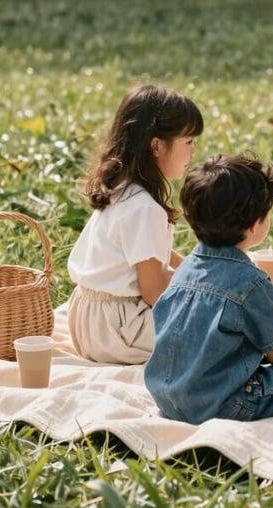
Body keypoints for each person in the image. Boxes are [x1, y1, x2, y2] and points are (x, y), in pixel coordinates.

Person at [144, 153, 273, 423]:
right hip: (225, 405)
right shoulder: (251, 283)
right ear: (254, 226)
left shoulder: (184, 270)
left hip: (169, 399)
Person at [67, 84, 204, 364]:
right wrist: (197, 292)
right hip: (120, 329)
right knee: (215, 329)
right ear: (156, 145)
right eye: (188, 142)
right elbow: (154, 292)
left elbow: (147, 256)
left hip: (88, 320)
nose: (194, 151)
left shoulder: (123, 190)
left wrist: (192, 267)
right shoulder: (145, 209)